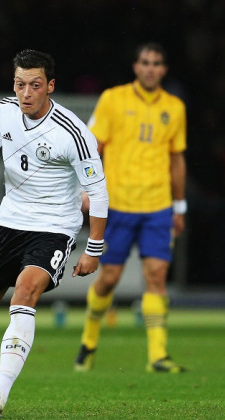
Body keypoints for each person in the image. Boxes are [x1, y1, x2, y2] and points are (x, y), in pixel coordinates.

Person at [0, 49, 108, 418]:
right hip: (9, 224)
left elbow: (98, 192)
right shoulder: (4, 110)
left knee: (25, 292)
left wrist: (93, 248)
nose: (25, 93)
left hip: (53, 228)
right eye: (19, 84)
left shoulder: (75, 133)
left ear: (50, 86)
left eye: (34, 85)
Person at [74, 42, 187, 374]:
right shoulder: (113, 99)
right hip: (119, 204)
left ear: (163, 69)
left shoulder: (175, 107)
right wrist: (85, 189)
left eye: (156, 63)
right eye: (145, 62)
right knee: (109, 278)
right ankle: (89, 341)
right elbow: (92, 146)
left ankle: (158, 356)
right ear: (136, 67)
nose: (150, 68)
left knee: (156, 276)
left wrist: (179, 206)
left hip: (158, 206)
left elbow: (176, 159)